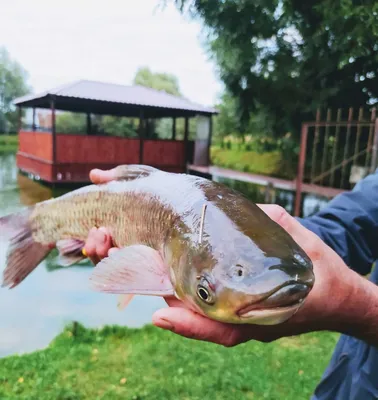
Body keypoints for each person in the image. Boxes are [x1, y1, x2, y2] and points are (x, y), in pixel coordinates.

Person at [83, 167, 378, 400]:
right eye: (206, 290)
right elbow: (350, 223)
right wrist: (259, 244)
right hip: (347, 380)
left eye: (203, 291)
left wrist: (358, 308)